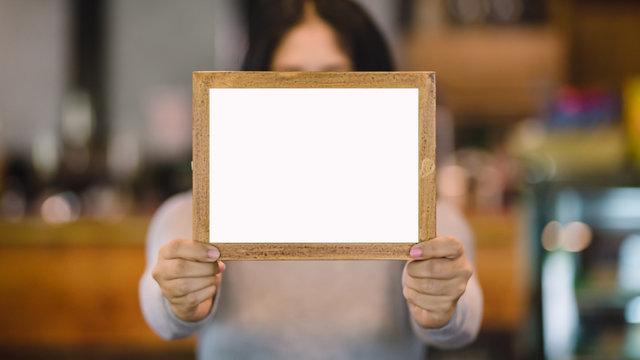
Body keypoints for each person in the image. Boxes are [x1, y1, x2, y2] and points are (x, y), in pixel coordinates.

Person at [139, 1, 483, 358]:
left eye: (334, 75)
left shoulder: (429, 222)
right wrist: (176, 300)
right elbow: (159, 306)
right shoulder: (191, 219)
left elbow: (463, 318)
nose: (313, 96)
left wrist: (444, 309)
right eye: (290, 77)